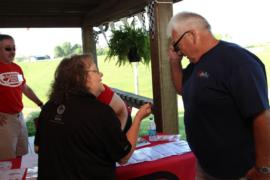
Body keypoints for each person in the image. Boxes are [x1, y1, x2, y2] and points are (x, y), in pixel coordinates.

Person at [166, 12, 270, 179]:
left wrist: (264, 169)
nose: (179, 51)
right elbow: (183, 89)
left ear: (192, 35)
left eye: (178, 45)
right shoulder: (196, 64)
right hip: (206, 166)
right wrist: (174, 61)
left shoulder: (238, 62)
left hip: (240, 171)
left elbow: (262, 117)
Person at [34, 54, 151, 179]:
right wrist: (138, 118)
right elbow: (123, 157)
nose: (101, 75)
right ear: (81, 77)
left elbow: (37, 148)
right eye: (95, 71)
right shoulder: (100, 112)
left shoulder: (49, 107)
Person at [0, 34, 43, 160]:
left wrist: (40, 103)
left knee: (20, 154)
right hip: (5, 120)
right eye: (8, 49)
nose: (12, 52)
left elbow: (24, 88)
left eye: (14, 48)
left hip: (19, 117)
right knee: (5, 160)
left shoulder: (16, 68)